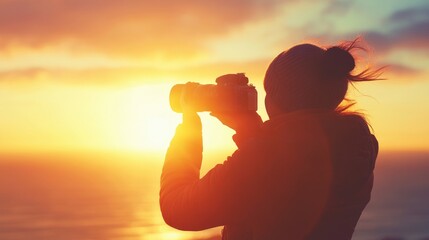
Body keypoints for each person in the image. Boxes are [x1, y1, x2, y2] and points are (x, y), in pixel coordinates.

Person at [160, 39, 381, 239]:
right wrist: (252, 134)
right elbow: (284, 192)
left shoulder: (267, 160)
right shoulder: (357, 147)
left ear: (277, 99)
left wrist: (188, 129)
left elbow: (176, 208)